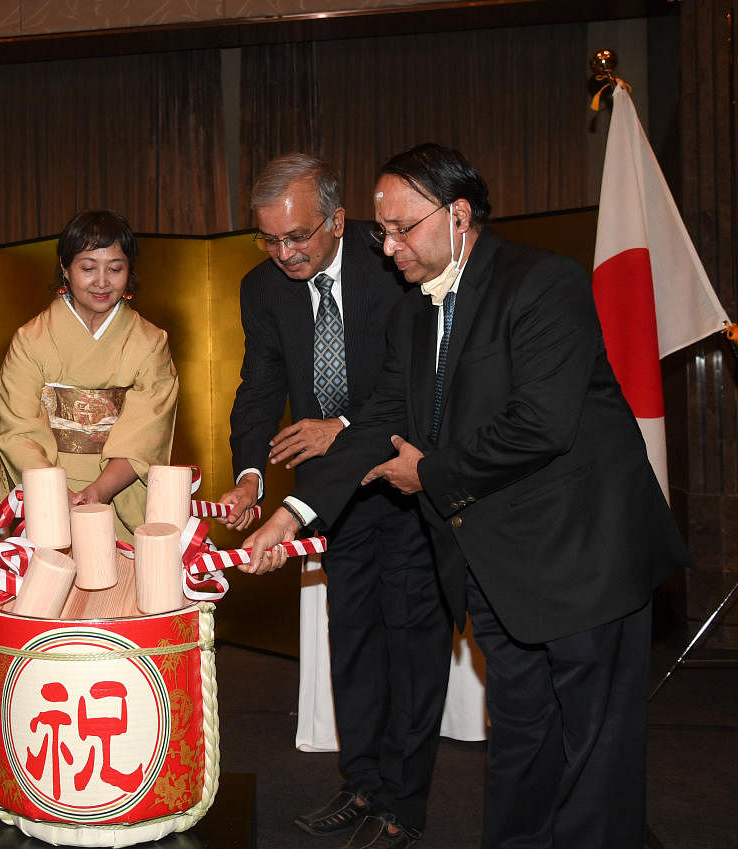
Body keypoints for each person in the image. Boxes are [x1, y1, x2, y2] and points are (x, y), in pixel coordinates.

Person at [243, 143, 691, 849]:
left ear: (457, 215)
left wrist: (434, 474)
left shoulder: (543, 281)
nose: (388, 247)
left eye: (401, 228)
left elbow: (541, 423)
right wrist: (291, 514)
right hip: (497, 568)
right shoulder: (412, 315)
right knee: (520, 742)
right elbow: (378, 420)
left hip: (584, 557)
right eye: (381, 232)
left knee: (594, 759)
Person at [218, 153, 450, 848]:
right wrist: (251, 477)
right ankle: (363, 783)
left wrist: (341, 428)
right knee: (353, 642)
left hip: (401, 479)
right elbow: (258, 388)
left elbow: (403, 383)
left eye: (299, 237)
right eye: (271, 239)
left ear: (337, 220)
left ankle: (404, 805)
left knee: (411, 645)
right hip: (331, 499)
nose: (285, 253)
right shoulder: (262, 289)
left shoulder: (391, 268)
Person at [0, 209, 179, 540]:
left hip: (119, 489)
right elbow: (17, 429)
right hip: (46, 490)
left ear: (129, 271)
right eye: (88, 268)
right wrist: (56, 495)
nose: (102, 282)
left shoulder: (150, 342)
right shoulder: (31, 340)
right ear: (65, 268)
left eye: (116, 268)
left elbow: (147, 432)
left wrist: (99, 491)